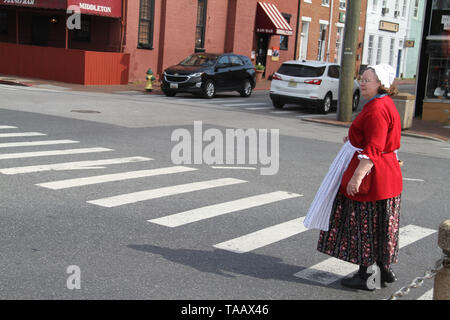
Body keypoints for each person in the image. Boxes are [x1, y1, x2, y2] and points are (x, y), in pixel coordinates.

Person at [304, 64, 403, 291]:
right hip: (387, 176)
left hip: (373, 178)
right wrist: (352, 139)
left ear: (381, 84)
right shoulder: (385, 104)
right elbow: (376, 140)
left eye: (367, 79)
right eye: (362, 78)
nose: (362, 82)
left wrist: (357, 177)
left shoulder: (377, 108)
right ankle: (383, 269)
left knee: (363, 226)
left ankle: (367, 276)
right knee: (380, 225)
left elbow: (374, 147)